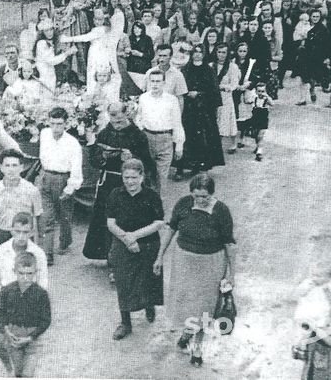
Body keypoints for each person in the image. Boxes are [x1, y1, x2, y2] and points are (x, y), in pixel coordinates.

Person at [154, 173, 236, 368]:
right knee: (186, 303)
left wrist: (231, 274)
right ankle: (187, 334)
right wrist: (159, 257)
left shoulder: (221, 211)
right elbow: (171, 230)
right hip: (183, 262)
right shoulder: (183, 204)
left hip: (210, 264)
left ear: (212, 194)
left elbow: (229, 245)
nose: (200, 200)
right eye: (196, 195)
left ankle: (197, 346)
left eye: (204, 197)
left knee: (204, 307)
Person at [83, 102, 155, 279]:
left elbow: (147, 163)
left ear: (126, 114)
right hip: (108, 183)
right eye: (112, 117)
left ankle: (123, 262)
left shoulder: (138, 135)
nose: (116, 121)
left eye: (119, 117)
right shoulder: (105, 133)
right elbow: (94, 159)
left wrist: (132, 159)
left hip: (129, 185)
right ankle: (110, 256)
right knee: (106, 220)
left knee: (125, 221)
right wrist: (103, 156)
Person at [107, 159, 164, 340]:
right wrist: (127, 239)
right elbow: (110, 222)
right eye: (126, 177)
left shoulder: (152, 196)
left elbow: (158, 222)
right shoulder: (115, 194)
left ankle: (149, 305)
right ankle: (125, 322)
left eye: (134, 177)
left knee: (147, 280)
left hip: (148, 245)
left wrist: (136, 236)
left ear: (142, 177)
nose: (130, 181)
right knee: (123, 283)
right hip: (122, 244)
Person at [0, 213, 49, 368]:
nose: (21, 236)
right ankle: (9, 368)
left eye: (26, 232)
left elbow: (43, 282)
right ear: (11, 230)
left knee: (23, 345)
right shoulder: (2, 250)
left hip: (27, 305)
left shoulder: (38, 254)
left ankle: (19, 371)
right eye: (18, 231)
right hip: (6, 303)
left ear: (31, 232)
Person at [0, 149, 43, 258]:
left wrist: (39, 246)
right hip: (2, 234)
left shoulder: (32, 190)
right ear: (1, 167)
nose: (11, 170)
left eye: (15, 165)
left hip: (23, 235)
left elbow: (39, 217)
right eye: (7, 166)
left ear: (22, 167)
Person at [0, 251, 52, 377]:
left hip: (33, 340)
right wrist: (6, 330)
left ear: (36, 272)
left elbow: (46, 320)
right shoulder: (7, 291)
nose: (25, 277)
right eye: (21, 273)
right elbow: (1, 311)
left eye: (29, 273)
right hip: (14, 338)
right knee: (18, 372)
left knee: (28, 374)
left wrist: (31, 337)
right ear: (14, 271)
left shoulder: (41, 294)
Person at [38, 108, 83, 266]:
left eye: (60, 124)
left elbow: (77, 169)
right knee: (46, 217)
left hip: (63, 179)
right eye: (53, 124)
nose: (56, 128)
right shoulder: (44, 134)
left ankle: (65, 241)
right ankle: (47, 253)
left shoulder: (72, 143)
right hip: (45, 177)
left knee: (64, 216)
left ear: (66, 124)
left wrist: (70, 188)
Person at [174, 46, 224, 179]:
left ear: (203, 54)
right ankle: (180, 168)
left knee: (202, 139)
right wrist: (186, 93)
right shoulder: (185, 69)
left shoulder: (208, 70)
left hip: (204, 110)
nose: (197, 55)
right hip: (188, 109)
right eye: (195, 52)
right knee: (185, 137)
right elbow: (179, 86)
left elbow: (214, 90)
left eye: (200, 52)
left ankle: (200, 167)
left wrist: (200, 94)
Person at [134, 69, 185, 201]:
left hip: (165, 139)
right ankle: (144, 205)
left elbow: (177, 122)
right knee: (146, 175)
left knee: (162, 177)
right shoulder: (143, 98)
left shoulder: (171, 100)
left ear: (164, 83)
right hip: (147, 138)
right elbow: (138, 117)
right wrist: (141, 128)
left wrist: (179, 145)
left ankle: (158, 207)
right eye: (152, 81)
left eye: (158, 81)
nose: (155, 85)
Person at [34, 19, 78, 92]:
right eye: (46, 31)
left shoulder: (51, 42)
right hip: (45, 76)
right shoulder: (41, 43)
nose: (49, 33)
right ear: (42, 32)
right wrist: (67, 53)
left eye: (51, 30)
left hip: (52, 75)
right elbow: (51, 61)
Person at [212, 45, 240, 153]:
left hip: (225, 96)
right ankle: (216, 144)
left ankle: (232, 143)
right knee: (215, 118)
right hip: (214, 96)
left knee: (227, 118)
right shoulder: (211, 66)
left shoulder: (232, 67)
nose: (221, 55)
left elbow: (234, 84)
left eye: (224, 52)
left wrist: (223, 87)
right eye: (219, 52)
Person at [143, 44, 188, 111]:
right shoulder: (149, 72)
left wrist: (178, 118)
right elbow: (144, 93)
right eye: (160, 56)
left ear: (170, 57)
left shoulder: (178, 75)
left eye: (165, 56)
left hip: (169, 112)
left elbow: (180, 99)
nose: (162, 59)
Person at [126, 21, 154, 90]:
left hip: (143, 67)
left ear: (142, 29)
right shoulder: (130, 38)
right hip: (131, 67)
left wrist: (140, 54)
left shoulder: (147, 39)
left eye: (139, 28)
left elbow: (151, 55)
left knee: (141, 87)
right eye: (135, 28)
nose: (136, 30)